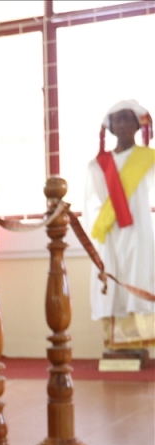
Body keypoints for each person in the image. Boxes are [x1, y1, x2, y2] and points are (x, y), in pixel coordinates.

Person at [85, 99, 154, 353]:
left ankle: (140, 341)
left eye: (127, 118)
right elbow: (91, 204)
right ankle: (116, 344)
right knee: (112, 280)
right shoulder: (97, 165)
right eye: (117, 119)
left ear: (138, 124)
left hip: (139, 230)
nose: (122, 124)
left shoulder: (149, 158)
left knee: (138, 276)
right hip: (110, 232)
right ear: (110, 127)